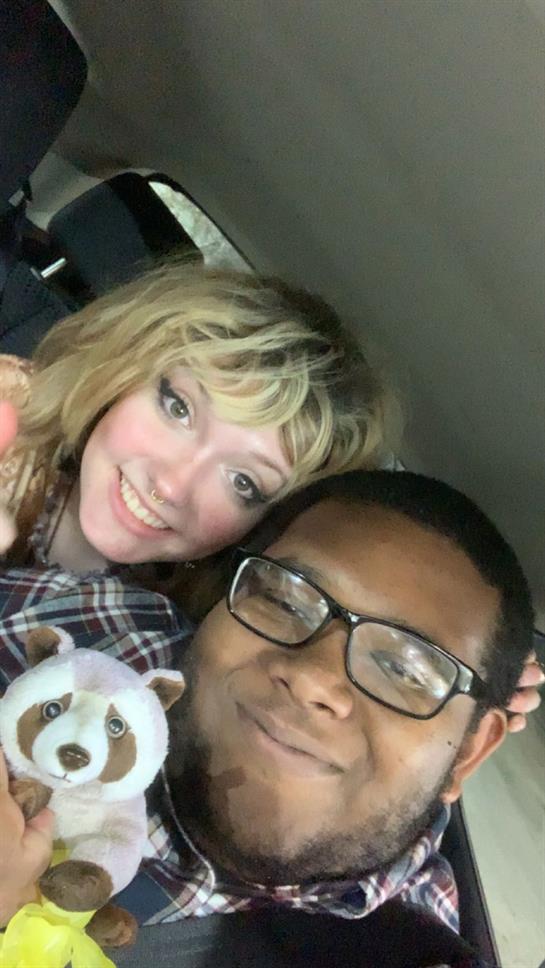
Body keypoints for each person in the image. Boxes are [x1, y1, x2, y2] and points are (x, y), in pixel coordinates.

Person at [0, 470, 541, 967]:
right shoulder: (87, 625)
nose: (313, 678)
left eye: (404, 668)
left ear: (468, 753)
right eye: (284, 599)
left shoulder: (406, 949)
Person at [0, 262, 392, 590]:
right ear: (121, 371)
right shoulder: (9, 402)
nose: (170, 486)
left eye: (243, 482)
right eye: (179, 408)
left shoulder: (197, 637)